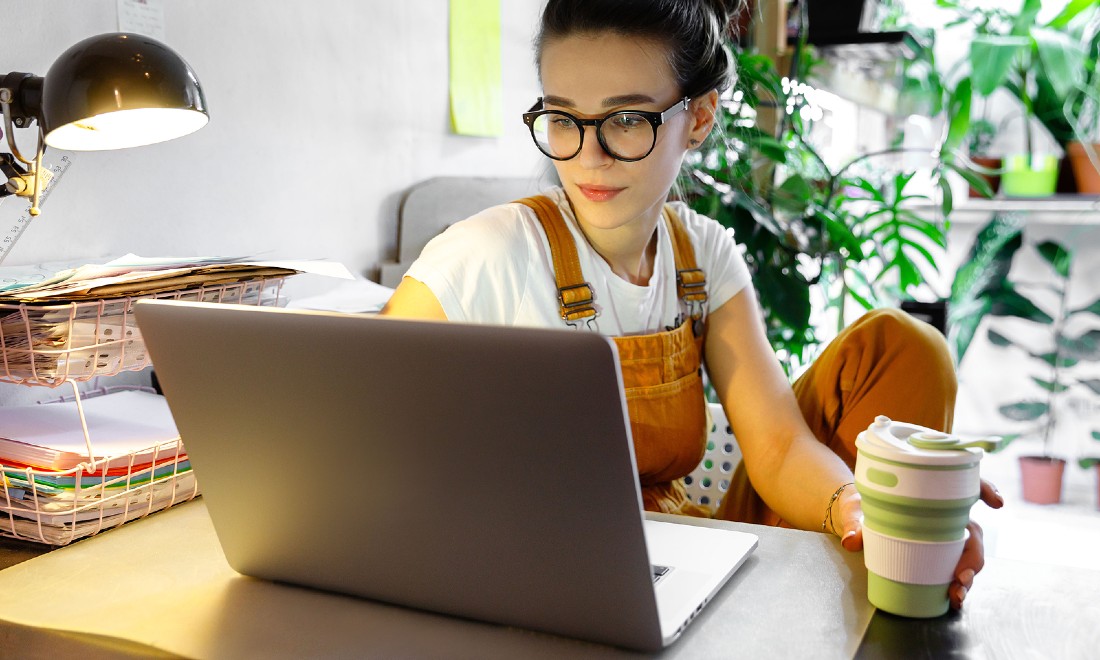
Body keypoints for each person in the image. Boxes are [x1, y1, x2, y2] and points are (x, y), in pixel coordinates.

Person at [382, 0, 1002, 610]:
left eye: (626, 119)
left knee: (902, 346)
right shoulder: (486, 252)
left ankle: (887, 564)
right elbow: (363, 423)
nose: (589, 156)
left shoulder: (701, 254)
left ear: (699, 117)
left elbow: (778, 447)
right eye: (564, 119)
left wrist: (855, 502)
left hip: (680, 555)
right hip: (538, 573)